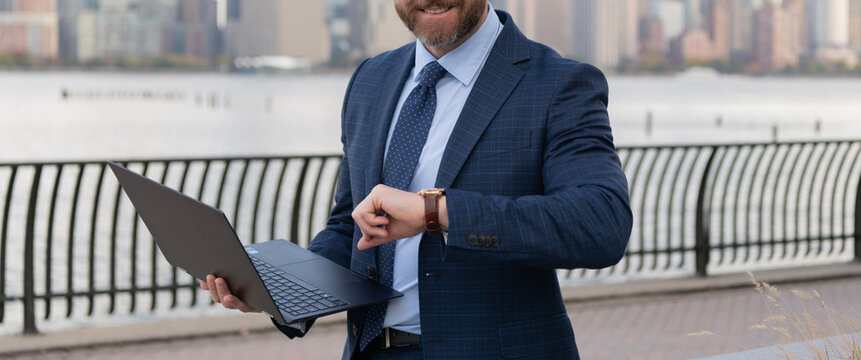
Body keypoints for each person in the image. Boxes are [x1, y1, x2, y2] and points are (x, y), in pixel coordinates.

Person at [201, 0, 632, 358]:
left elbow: (601, 224)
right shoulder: (371, 79)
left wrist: (436, 213)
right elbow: (350, 227)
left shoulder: (558, 83)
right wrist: (277, 293)